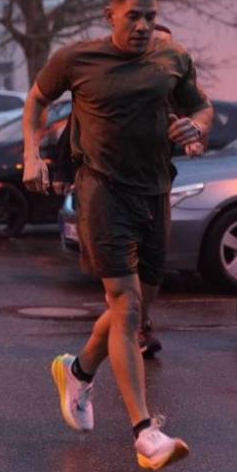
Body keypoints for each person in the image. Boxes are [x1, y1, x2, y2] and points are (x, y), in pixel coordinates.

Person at [23, 0, 211, 472]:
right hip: (103, 191)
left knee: (140, 308)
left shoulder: (174, 58)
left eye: (151, 16)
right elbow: (37, 98)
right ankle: (145, 433)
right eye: (134, 17)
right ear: (110, 16)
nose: (144, 26)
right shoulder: (77, 60)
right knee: (125, 306)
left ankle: (79, 370)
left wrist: (197, 129)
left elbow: (200, 107)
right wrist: (32, 154)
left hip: (156, 190)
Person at [52, 25, 178, 358]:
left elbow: (193, 124)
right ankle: (136, 332)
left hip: (153, 191)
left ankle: (88, 362)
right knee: (123, 285)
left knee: (149, 275)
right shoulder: (110, 84)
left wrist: (194, 136)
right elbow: (73, 128)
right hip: (107, 189)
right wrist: (61, 171)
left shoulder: (171, 88)